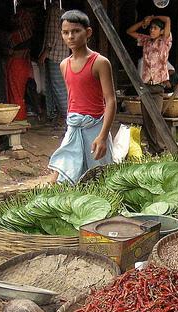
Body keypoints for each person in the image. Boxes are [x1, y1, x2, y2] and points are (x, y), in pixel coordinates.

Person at [48, 9, 116, 184]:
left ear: (88, 32)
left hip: (95, 127)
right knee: (66, 176)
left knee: (101, 179)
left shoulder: (100, 63)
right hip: (73, 127)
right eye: (65, 32)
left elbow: (110, 101)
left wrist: (102, 136)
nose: (70, 36)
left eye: (76, 31)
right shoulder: (64, 65)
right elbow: (73, 99)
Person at [127, 14, 172, 154]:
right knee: (147, 120)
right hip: (146, 85)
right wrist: (143, 22)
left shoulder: (165, 41)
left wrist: (154, 16)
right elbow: (130, 32)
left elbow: (168, 20)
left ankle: (162, 147)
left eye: (155, 28)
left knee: (156, 118)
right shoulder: (145, 41)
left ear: (162, 31)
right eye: (151, 28)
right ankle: (153, 149)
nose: (152, 30)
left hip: (158, 86)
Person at [38, 1, 69, 127]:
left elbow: (53, 34)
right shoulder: (61, 11)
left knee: (58, 87)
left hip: (55, 55)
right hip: (61, 53)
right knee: (53, 86)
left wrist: (46, 51)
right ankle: (54, 115)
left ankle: (68, 116)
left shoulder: (54, 11)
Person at [5, 1, 35, 121]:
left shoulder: (18, 35)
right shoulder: (28, 33)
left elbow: (10, 46)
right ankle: (18, 119)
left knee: (15, 94)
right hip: (23, 63)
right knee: (18, 93)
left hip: (17, 63)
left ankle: (18, 120)